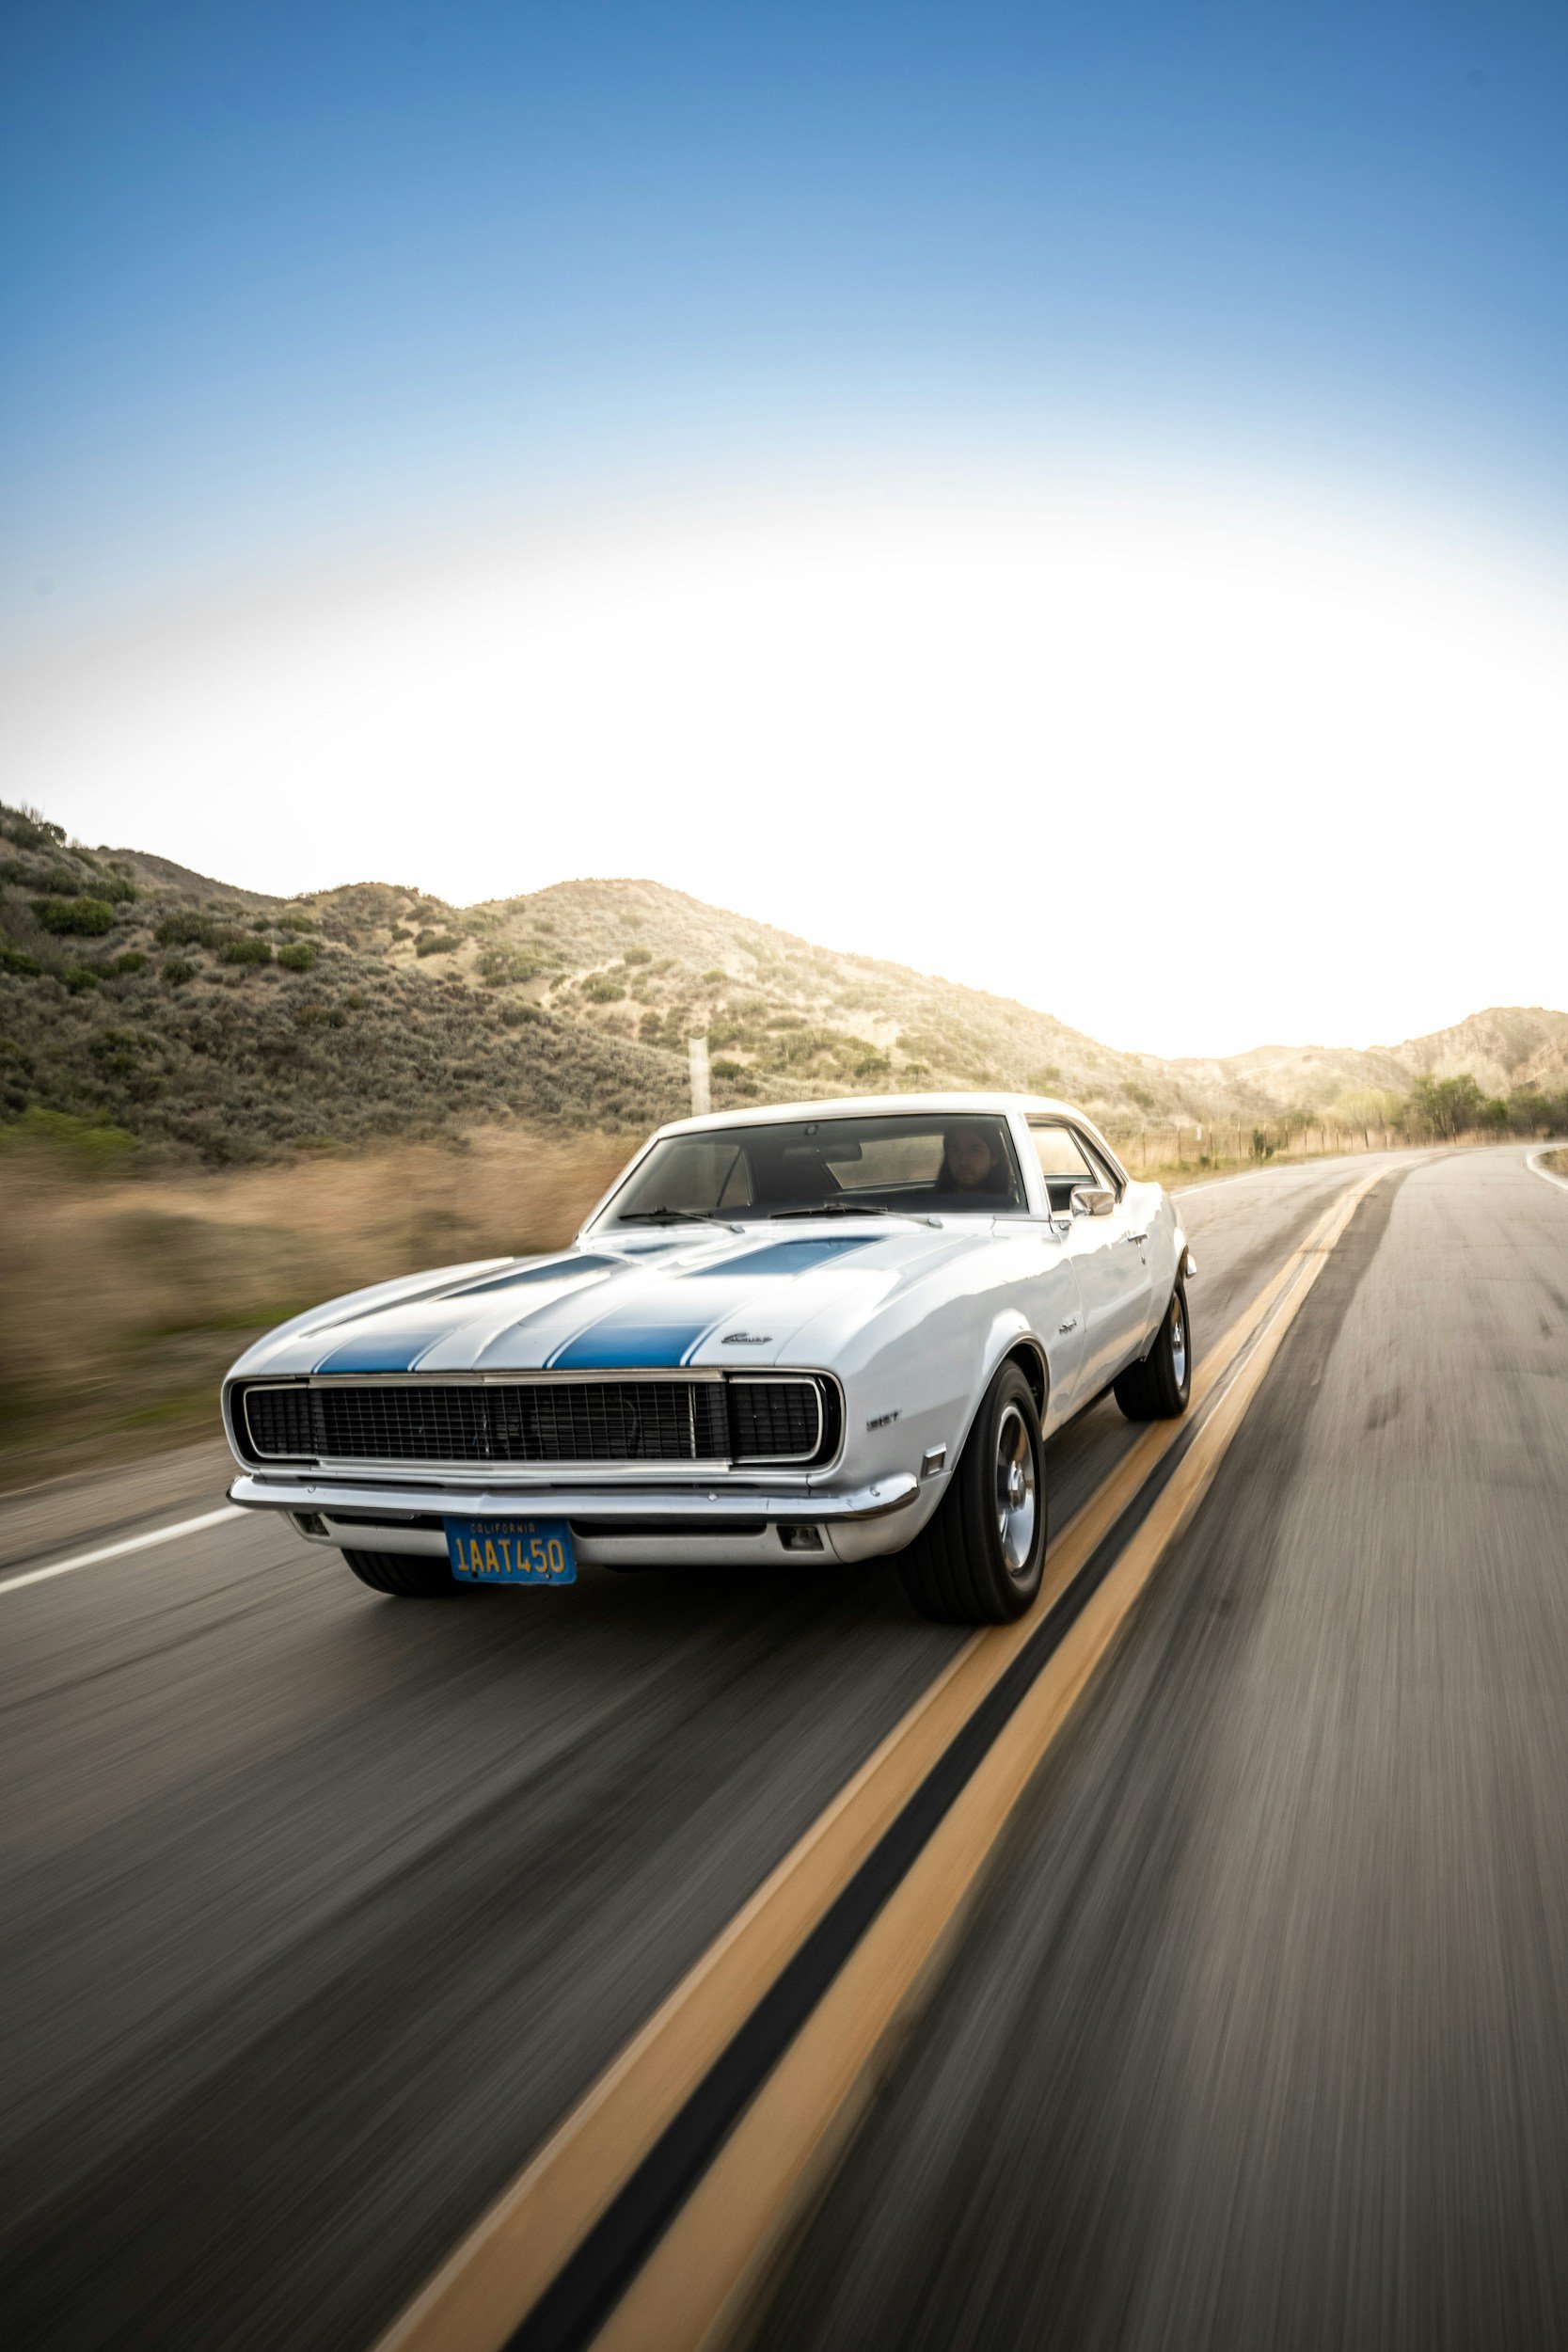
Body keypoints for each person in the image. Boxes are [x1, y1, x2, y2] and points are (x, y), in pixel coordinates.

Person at [938, 1121, 1012, 1198]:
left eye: (975, 1150)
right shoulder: (933, 1203)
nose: (963, 1161)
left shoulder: (1011, 1204)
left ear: (994, 1157)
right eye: (956, 1150)